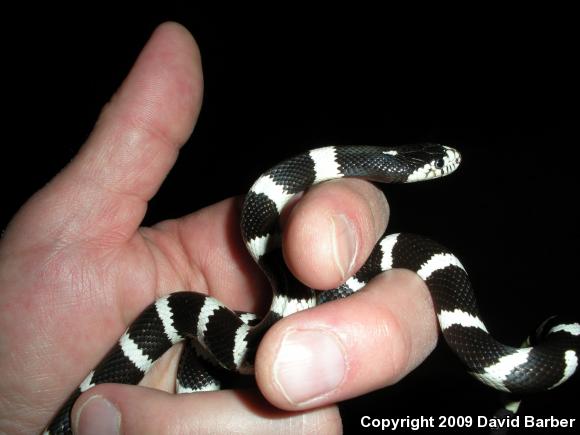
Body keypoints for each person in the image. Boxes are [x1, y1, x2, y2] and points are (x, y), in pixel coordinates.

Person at [0, 23, 438, 434]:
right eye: (434, 165)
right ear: (401, 167)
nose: (441, 166)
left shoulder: (278, 215)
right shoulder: (267, 210)